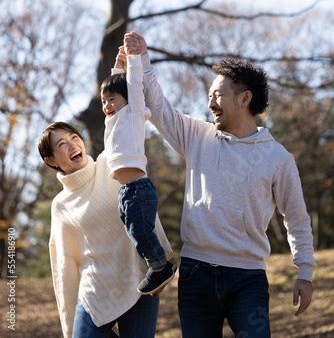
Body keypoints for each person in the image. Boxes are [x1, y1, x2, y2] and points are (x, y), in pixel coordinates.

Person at [122, 31, 315, 338]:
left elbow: (296, 217)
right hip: (195, 274)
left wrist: (304, 271)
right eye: (209, 95)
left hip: (248, 278)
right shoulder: (197, 136)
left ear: (244, 98)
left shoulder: (278, 158)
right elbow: (159, 109)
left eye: (217, 94)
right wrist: (141, 59)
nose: (210, 100)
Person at [38, 121, 172, 338]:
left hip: (137, 279)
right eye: (62, 144)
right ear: (51, 160)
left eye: (73, 137)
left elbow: (130, 125)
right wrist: (68, 323)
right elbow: (64, 266)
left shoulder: (111, 162)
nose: (72, 145)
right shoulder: (60, 205)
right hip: (94, 292)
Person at [101, 42, 176, 295]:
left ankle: (160, 267)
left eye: (111, 100)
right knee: (134, 230)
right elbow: (118, 85)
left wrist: (133, 59)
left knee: (139, 230)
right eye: (104, 102)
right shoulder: (113, 122)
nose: (107, 106)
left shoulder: (133, 112)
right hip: (126, 192)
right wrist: (118, 67)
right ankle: (157, 266)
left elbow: (132, 85)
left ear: (127, 101)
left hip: (138, 189)